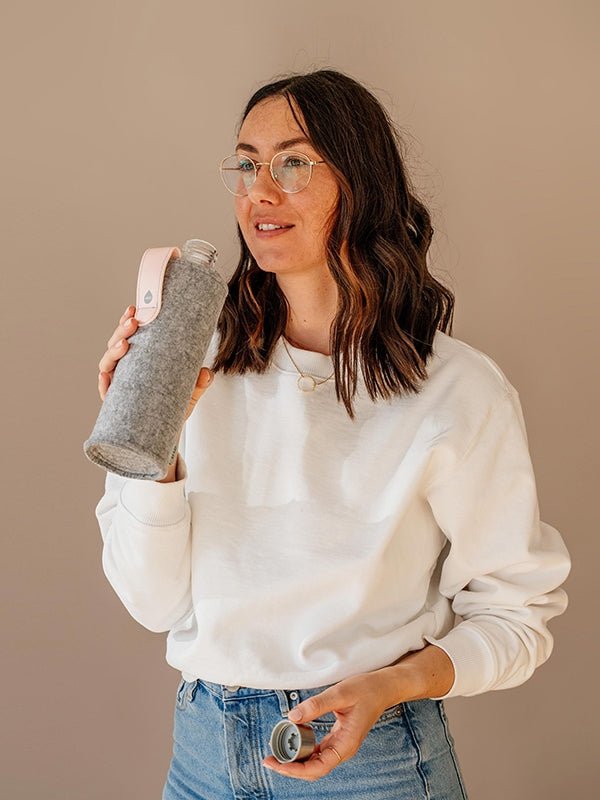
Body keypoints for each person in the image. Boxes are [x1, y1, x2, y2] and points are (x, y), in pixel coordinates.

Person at [95, 70, 570, 800]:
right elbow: (152, 604)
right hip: (202, 755)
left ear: (361, 181)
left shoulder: (456, 390)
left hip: (369, 762)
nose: (259, 189)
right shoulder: (190, 359)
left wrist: (390, 686)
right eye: (247, 163)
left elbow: (517, 614)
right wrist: (152, 451)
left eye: (292, 161)